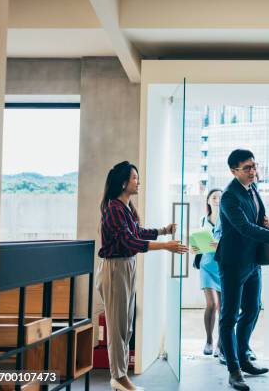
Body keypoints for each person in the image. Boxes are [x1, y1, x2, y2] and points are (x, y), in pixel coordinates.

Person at [96, 161, 188, 391]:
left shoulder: (125, 208)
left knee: (126, 326)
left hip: (126, 266)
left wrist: (163, 231)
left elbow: (136, 232)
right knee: (117, 328)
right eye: (135, 177)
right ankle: (118, 377)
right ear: (124, 182)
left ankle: (120, 375)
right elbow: (129, 241)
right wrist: (165, 245)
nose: (139, 181)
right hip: (116, 267)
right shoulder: (114, 209)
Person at [215, 149, 269, 391]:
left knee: (252, 308)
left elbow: (256, 219)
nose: (253, 171)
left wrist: (265, 222)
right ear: (233, 171)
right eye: (247, 168)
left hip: (252, 261)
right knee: (229, 316)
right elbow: (244, 228)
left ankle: (244, 357)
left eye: (254, 166)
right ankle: (233, 370)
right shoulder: (229, 196)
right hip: (232, 263)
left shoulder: (252, 188)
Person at [190, 188, 223, 356]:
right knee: (211, 304)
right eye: (214, 197)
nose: (217, 199)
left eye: (220, 197)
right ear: (208, 201)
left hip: (223, 267)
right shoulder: (203, 219)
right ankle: (209, 340)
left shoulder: (227, 219)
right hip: (206, 266)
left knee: (223, 308)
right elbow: (196, 246)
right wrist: (194, 247)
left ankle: (220, 344)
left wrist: (220, 246)